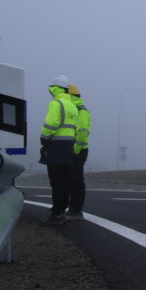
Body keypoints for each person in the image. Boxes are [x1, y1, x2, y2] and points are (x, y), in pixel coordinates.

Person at [40, 74, 79, 225]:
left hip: (56, 147)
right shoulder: (72, 106)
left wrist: (44, 138)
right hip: (69, 148)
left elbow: (51, 123)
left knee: (56, 182)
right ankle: (61, 212)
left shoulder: (56, 103)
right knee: (65, 182)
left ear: (54, 88)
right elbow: (75, 128)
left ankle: (56, 214)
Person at [66, 83, 91, 221]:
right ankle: (72, 208)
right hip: (76, 150)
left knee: (76, 181)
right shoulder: (76, 109)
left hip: (78, 151)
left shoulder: (81, 111)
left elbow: (82, 133)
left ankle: (77, 210)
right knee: (72, 180)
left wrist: (75, 151)